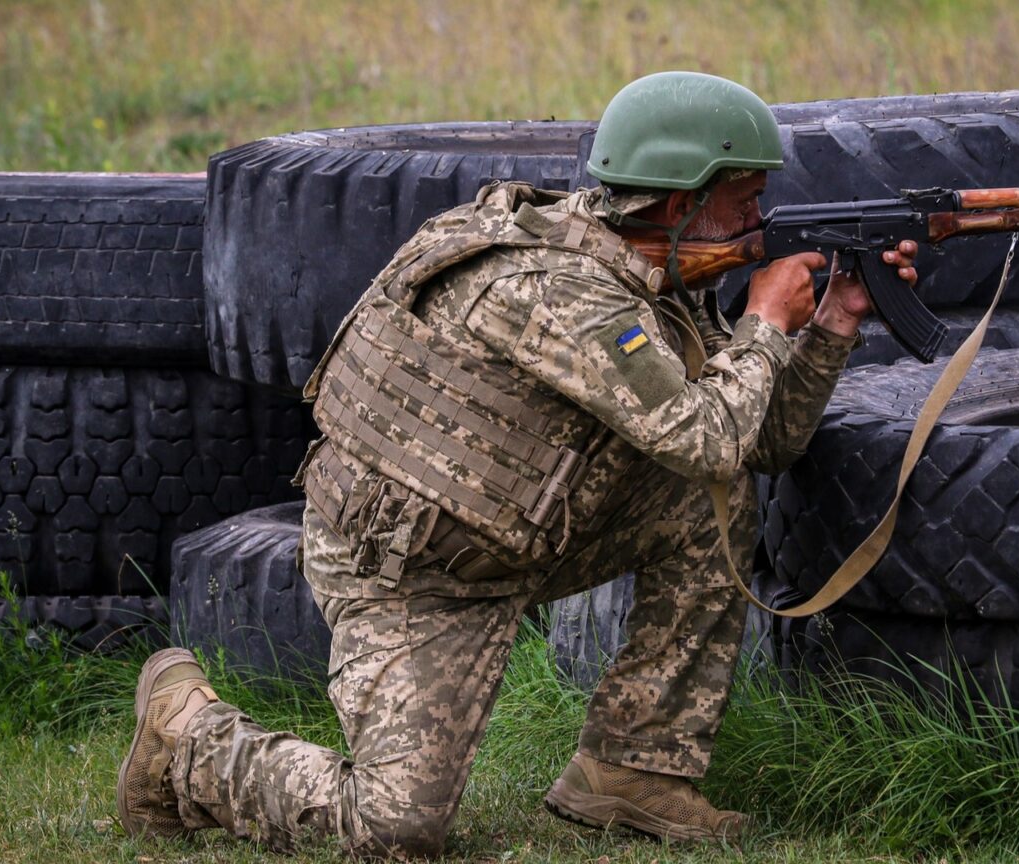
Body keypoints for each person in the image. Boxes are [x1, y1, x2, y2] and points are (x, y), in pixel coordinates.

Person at [116, 70, 918, 859]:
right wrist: (767, 323)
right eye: (744, 200)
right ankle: (188, 735)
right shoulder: (555, 290)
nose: (760, 219)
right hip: (414, 572)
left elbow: (756, 444)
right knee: (394, 829)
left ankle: (633, 769)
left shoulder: (653, 273)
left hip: (524, 528)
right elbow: (706, 433)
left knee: (710, 494)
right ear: (681, 203)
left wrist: (832, 328)